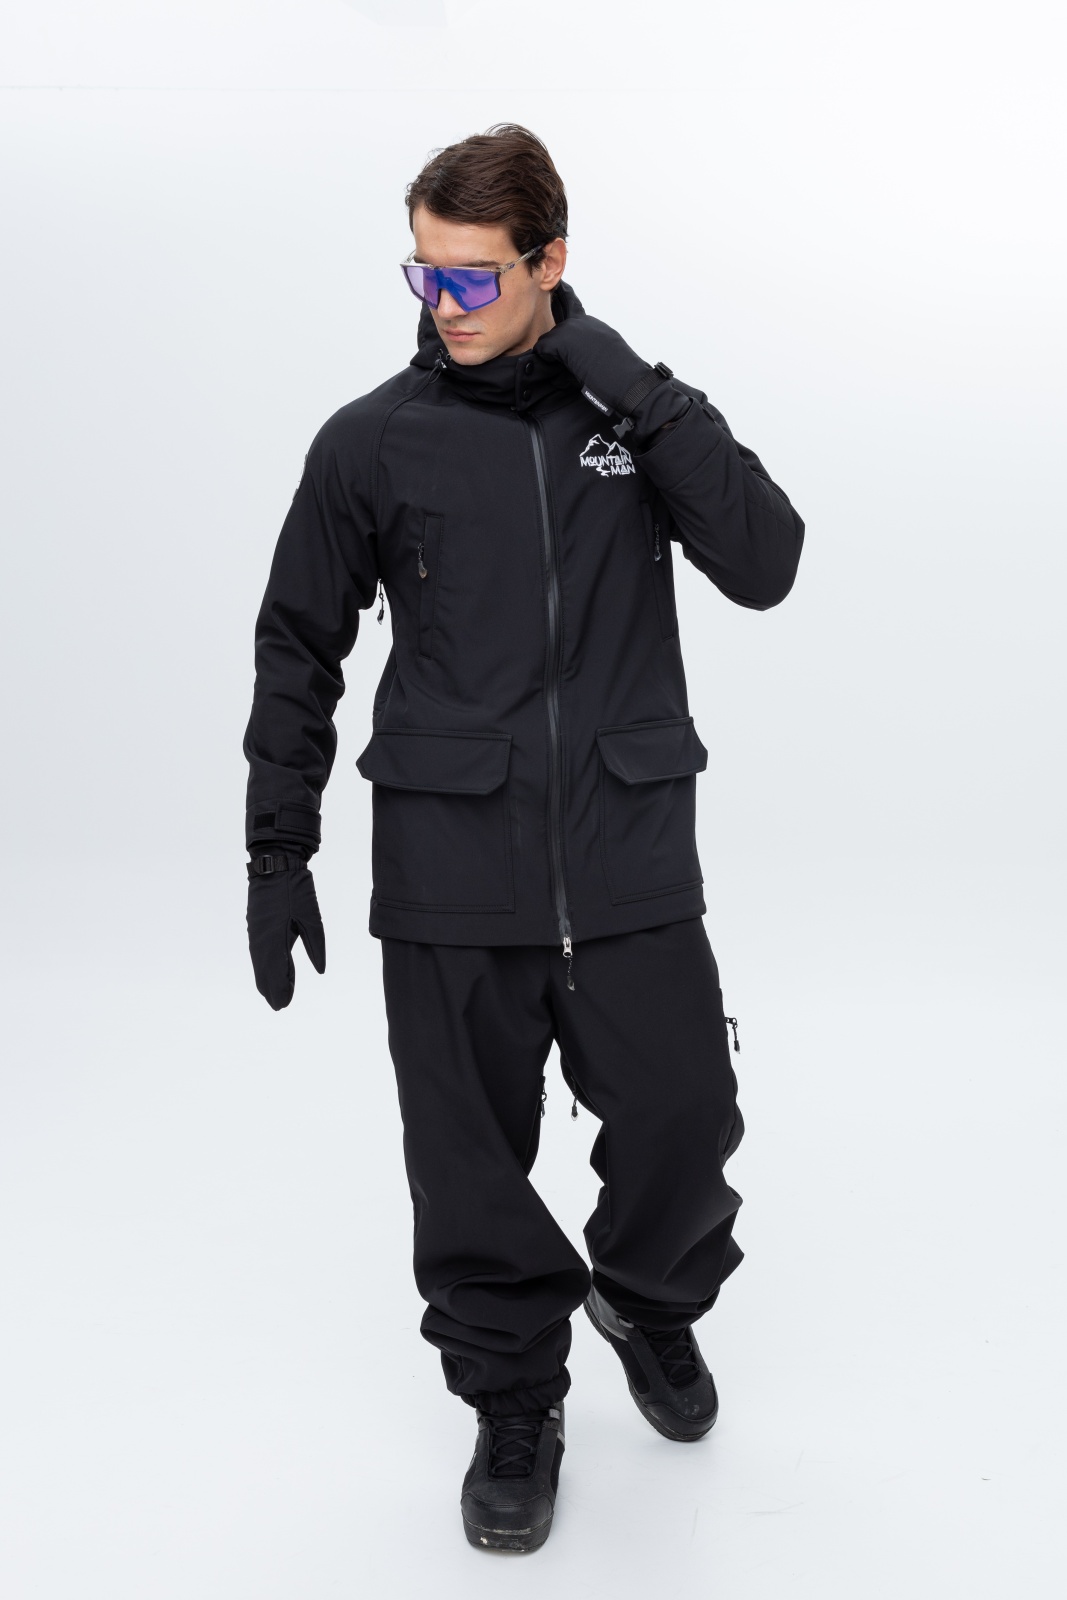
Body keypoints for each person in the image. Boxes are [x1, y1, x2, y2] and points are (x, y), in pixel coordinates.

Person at [243, 123, 804, 1553]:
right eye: (423, 275)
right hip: (451, 865)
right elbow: (299, 645)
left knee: (685, 1121)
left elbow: (767, 560)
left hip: (627, 851)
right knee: (469, 1166)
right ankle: (513, 1402)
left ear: (551, 261)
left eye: (473, 278)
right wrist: (276, 849)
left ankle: (646, 1299)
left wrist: (637, 387)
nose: (442, 305)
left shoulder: (632, 422)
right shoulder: (372, 440)